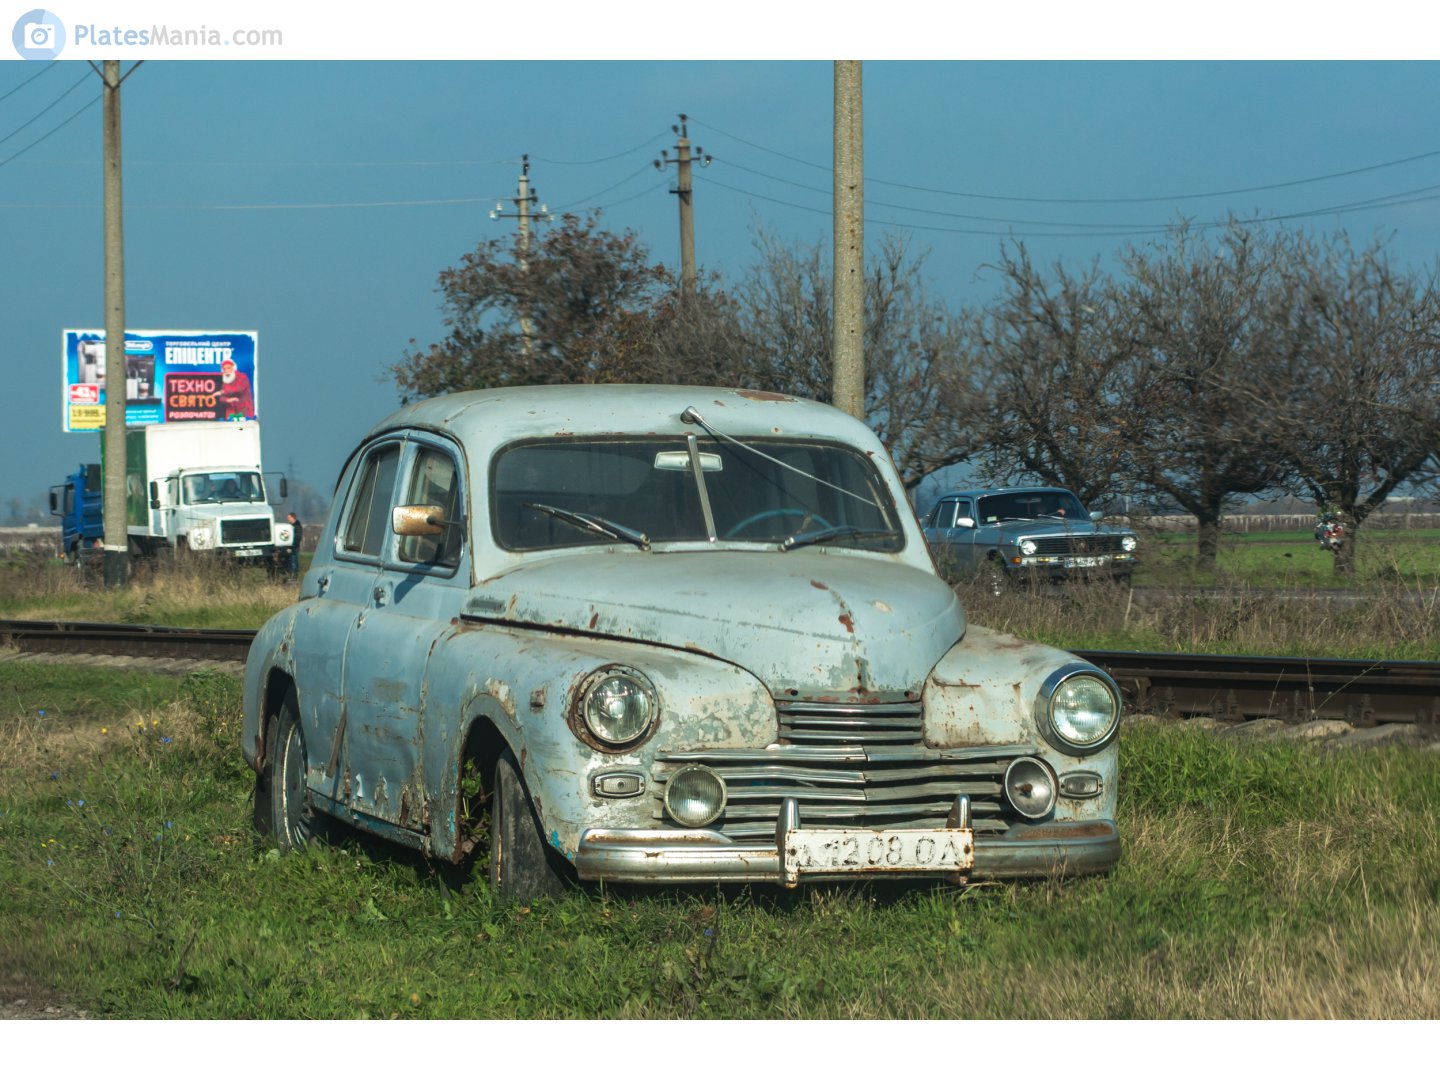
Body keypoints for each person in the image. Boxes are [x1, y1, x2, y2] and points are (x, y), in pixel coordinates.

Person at [286, 511, 303, 577]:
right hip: (293, 546)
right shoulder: (293, 526)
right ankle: (293, 574)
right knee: (293, 560)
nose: (287, 519)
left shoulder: (296, 526)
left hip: (294, 546)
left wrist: (292, 547)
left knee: (293, 560)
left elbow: (297, 538)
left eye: (289, 517)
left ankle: (294, 575)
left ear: (292, 517)